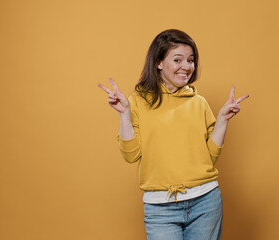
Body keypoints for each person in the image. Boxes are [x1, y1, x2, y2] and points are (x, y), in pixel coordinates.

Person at [98, 29, 249, 240]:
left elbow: (209, 158)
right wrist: (124, 114)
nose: (186, 67)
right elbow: (130, 155)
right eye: (177, 59)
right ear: (158, 62)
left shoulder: (199, 103)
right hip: (160, 207)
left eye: (190, 60)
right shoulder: (138, 102)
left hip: (205, 201)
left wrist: (222, 119)